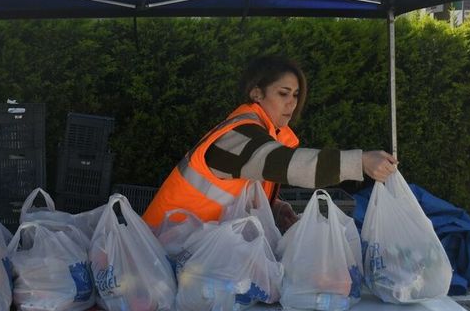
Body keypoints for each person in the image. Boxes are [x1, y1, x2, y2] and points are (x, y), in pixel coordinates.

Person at [143, 55, 398, 232]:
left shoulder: (259, 135)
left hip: (189, 248)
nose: (292, 103)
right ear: (256, 93)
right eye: (283, 93)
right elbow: (292, 164)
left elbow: (234, 191)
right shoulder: (238, 137)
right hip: (159, 250)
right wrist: (361, 161)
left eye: (296, 95)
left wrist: (273, 208)